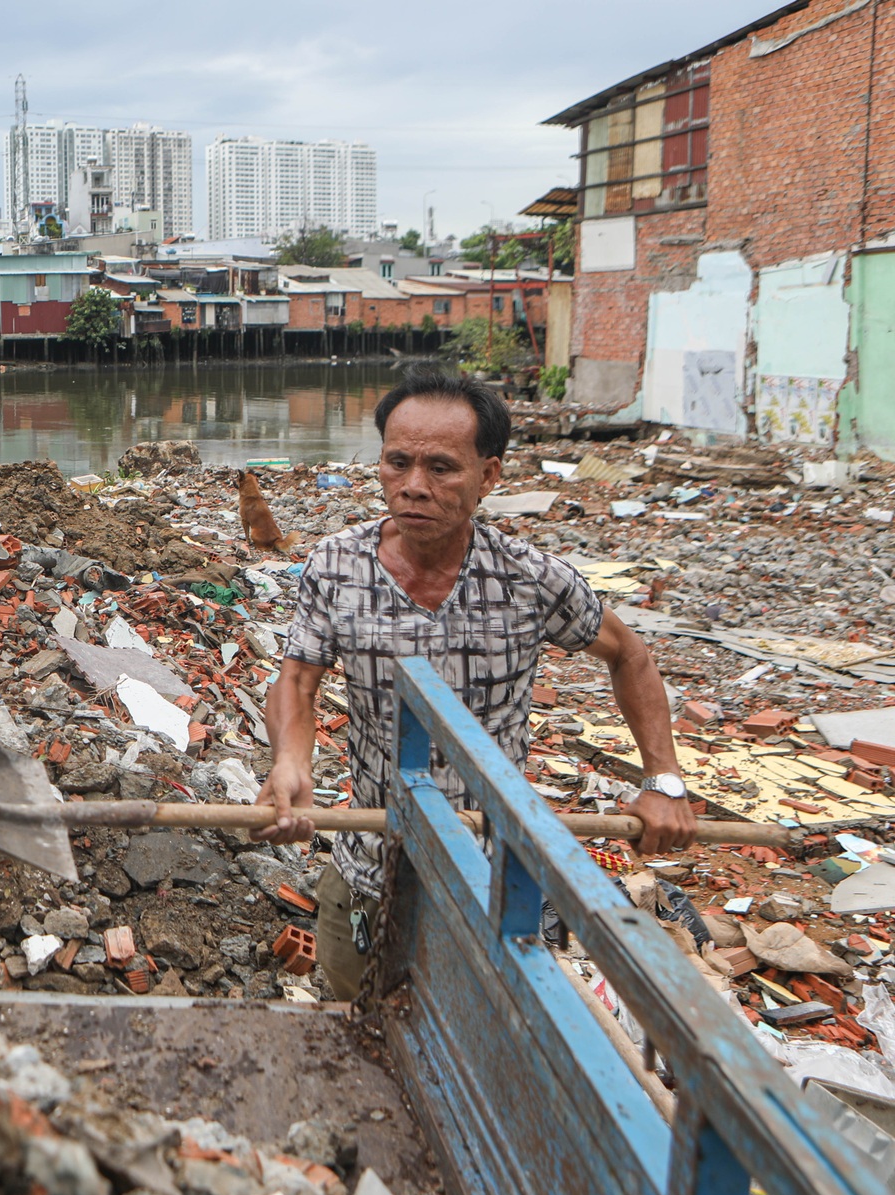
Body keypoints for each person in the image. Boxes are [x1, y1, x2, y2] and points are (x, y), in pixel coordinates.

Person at [255, 365, 695, 1000]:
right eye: (397, 462)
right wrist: (291, 761)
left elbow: (630, 656)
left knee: (475, 1044)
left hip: (491, 877)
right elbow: (296, 681)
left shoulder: (529, 579)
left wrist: (662, 782)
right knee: (357, 1024)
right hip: (371, 862)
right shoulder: (337, 565)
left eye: (441, 468)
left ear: (489, 475)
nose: (413, 487)